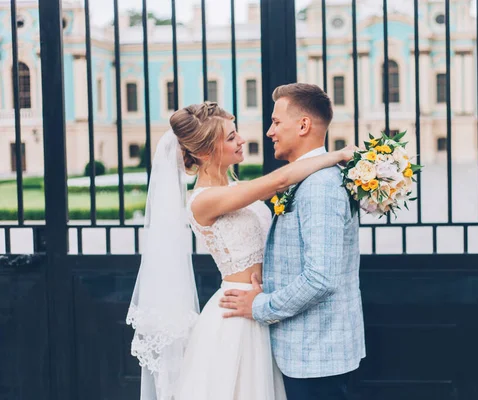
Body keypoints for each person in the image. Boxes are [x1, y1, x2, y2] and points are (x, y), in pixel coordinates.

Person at [126, 100, 355, 400]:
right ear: (206, 152)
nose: (242, 140)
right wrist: (337, 155)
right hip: (236, 316)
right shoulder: (202, 201)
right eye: (231, 137)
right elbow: (282, 179)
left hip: (263, 307)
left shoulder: (237, 188)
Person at [220, 83, 366, 400]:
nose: (270, 131)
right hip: (306, 353)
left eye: (276, 122)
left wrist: (260, 305)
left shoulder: (320, 185)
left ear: (303, 125)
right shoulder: (309, 177)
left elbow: (320, 277)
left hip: (316, 357)